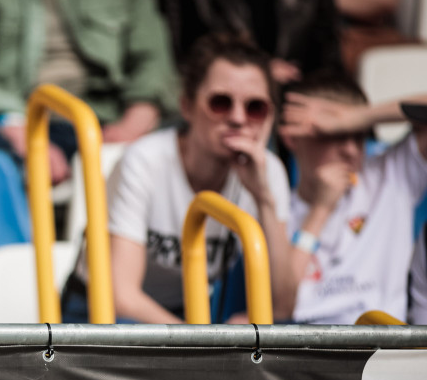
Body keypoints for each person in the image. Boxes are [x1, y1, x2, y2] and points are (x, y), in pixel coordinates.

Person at [61, 34, 295, 323]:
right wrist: (204, 346)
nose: (238, 118)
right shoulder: (145, 160)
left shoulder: (268, 171)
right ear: (187, 106)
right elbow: (123, 298)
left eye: (255, 107)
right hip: (96, 309)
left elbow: (283, 307)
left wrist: (264, 199)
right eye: (221, 103)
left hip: (183, 314)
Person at [0, 0, 177, 184]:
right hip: (11, 119)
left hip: (103, 117)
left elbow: (152, 57)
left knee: (190, 142)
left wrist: (137, 117)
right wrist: (22, 131)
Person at [280, 84, 427, 323]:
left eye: (358, 135)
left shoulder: (391, 176)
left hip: (386, 348)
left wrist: (356, 117)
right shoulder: (277, 208)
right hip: (311, 348)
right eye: (332, 135)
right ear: (292, 138)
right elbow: (281, 307)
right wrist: (320, 209)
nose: (350, 150)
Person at [157, 0, 344, 85]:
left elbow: (328, 59)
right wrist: (258, 69)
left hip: (297, 96)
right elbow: (180, 55)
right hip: (220, 93)